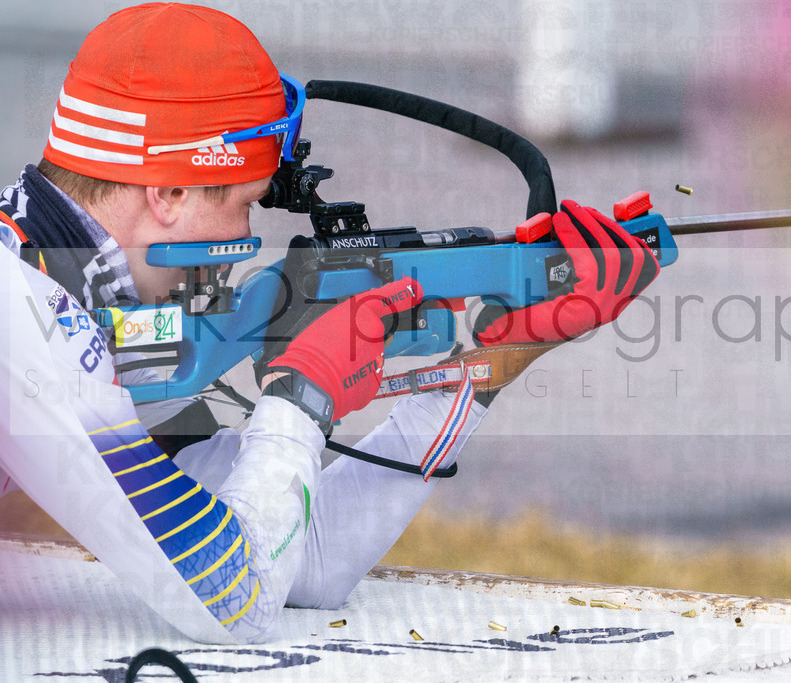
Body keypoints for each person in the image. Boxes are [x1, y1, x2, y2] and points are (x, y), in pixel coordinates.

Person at [0, 3, 659, 644]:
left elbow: (304, 557)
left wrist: (506, 348)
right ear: (169, 193)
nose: (247, 233)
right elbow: (235, 596)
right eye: (245, 204)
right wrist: (302, 395)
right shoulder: (40, 322)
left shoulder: (57, 291)